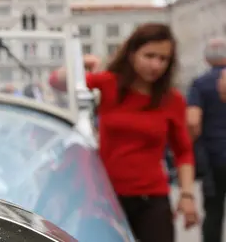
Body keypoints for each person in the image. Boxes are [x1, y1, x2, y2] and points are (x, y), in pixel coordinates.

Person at [48, 23, 198, 242]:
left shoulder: (172, 100)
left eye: (163, 59)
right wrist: (81, 64)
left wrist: (187, 195)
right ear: (131, 54)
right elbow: (57, 81)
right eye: (149, 55)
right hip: (107, 199)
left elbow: (183, 151)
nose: (156, 65)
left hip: (152, 199)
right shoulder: (109, 84)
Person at [186, 37, 226, 242]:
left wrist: (193, 147)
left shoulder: (200, 84)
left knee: (214, 212)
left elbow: (193, 121)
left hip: (214, 157)